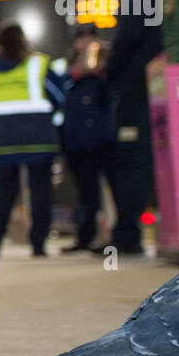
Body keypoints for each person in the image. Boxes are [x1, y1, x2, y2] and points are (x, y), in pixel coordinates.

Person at [0, 23, 65, 257]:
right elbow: (60, 95)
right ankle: (38, 245)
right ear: (24, 41)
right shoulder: (39, 64)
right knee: (40, 194)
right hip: (40, 139)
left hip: (5, 142)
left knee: (3, 195)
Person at [102, 0, 165, 257]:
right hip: (167, 92)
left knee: (129, 165)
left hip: (135, 93)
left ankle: (127, 235)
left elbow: (123, 46)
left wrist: (109, 73)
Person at [61, 28, 114, 253]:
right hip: (76, 140)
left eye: (89, 38)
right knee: (85, 192)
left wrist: (101, 66)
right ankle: (85, 236)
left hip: (102, 137)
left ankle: (116, 236)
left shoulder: (107, 64)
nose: (84, 43)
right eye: (80, 39)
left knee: (112, 189)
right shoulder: (66, 71)